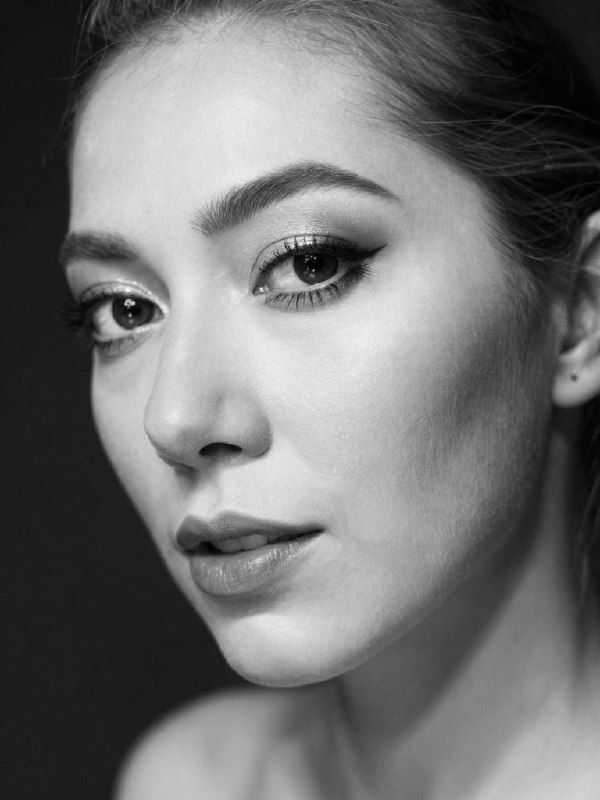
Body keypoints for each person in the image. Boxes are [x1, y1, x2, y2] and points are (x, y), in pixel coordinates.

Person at [59, 0, 600, 797]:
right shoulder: (189, 782)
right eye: (123, 310)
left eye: (309, 265)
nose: (174, 420)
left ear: (581, 316)